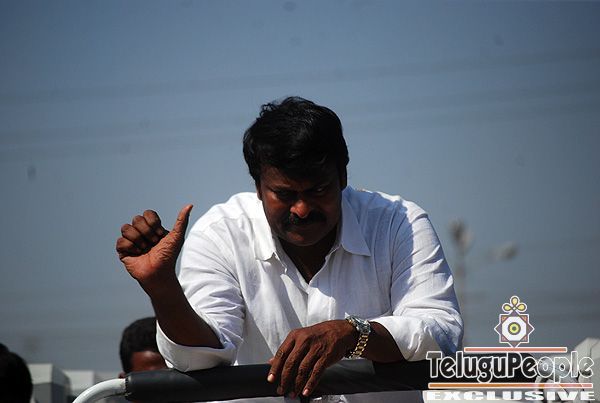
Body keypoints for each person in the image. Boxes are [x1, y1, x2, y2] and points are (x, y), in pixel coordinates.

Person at [116, 96, 463, 401]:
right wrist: (162, 287)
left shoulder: (398, 223)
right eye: (284, 194)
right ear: (258, 187)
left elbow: (441, 336)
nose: (302, 209)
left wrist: (353, 334)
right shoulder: (220, 234)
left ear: (343, 177)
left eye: (318, 190)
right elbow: (199, 359)